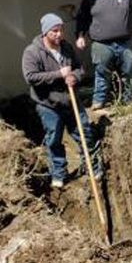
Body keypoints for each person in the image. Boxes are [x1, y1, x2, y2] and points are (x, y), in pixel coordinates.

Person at [22, 13, 102, 188]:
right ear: (45, 32)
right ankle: (59, 173)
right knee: (54, 138)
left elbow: (80, 69)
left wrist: (74, 76)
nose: (59, 34)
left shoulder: (66, 47)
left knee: (84, 134)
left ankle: (92, 167)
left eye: (61, 30)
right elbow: (31, 77)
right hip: (48, 104)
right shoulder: (32, 52)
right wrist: (59, 74)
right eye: (54, 31)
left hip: (71, 101)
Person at [75, 0, 132, 110]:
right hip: (101, 44)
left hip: (125, 42)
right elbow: (82, 17)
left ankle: (128, 100)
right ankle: (99, 101)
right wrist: (80, 35)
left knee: (128, 72)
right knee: (101, 73)